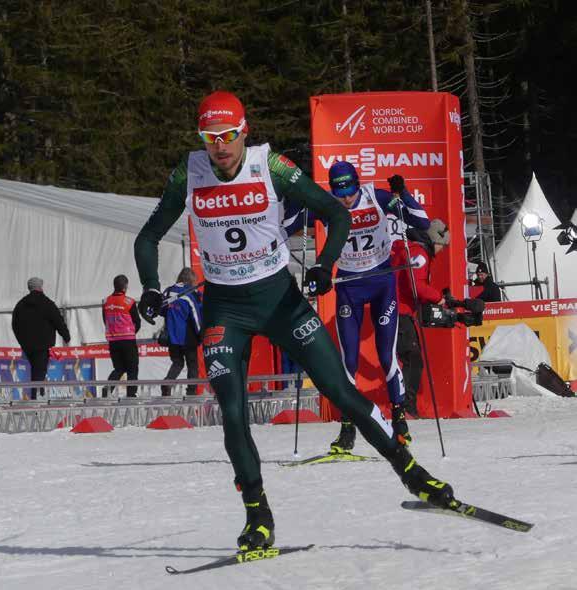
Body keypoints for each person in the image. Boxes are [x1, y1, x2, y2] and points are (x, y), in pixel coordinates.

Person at [134, 90, 455, 552]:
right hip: (225, 309)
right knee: (231, 413)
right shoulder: (189, 171)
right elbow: (148, 236)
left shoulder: (272, 165)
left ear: (244, 132)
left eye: (227, 136)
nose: (219, 147)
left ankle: (411, 472)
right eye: (210, 137)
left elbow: (334, 213)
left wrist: (324, 264)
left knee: (340, 389)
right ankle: (257, 515)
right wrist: (148, 285)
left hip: (280, 300)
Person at [321, 163, 430, 450]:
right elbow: (288, 224)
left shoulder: (377, 197)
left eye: (349, 189)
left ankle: (399, 420)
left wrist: (402, 194)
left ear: (357, 183)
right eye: (338, 191)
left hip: (381, 283)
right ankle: (347, 429)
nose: (344, 197)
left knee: (386, 355)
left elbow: (423, 222)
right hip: (348, 287)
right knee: (349, 361)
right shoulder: (326, 204)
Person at [391, 220, 451, 417]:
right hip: (399, 313)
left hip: (401, 312)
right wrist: (439, 298)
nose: (443, 250)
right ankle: (406, 408)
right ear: (435, 239)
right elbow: (416, 286)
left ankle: (405, 406)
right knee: (412, 359)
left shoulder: (414, 250)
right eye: (443, 244)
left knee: (409, 358)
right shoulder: (419, 254)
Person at [12, 277, 71, 399]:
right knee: (39, 372)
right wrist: (66, 336)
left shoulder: (20, 304)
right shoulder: (47, 303)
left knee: (35, 371)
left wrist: (22, 341)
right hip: (42, 345)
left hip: (27, 346)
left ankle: (39, 396)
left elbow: (15, 324)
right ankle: (37, 400)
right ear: (40, 287)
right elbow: (58, 320)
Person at [160, 267, 203, 396]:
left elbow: (160, 310)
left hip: (171, 335)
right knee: (192, 365)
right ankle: (191, 392)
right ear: (192, 279)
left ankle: (168, 382)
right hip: (187, 335)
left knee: (177, 362)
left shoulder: (168, 291)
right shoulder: (190, 292)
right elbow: (195, 315)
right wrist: (200, 334)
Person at [102, 274, 141, 398]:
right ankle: (131, 394)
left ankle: (107, 389)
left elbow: (105, 320)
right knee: (132, 368)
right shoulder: (129, 302)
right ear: (125, 287)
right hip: (127, 339)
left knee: (118, 368)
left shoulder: (106, 302)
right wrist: (132, 332)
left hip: (113, 340)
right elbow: (137, 322)